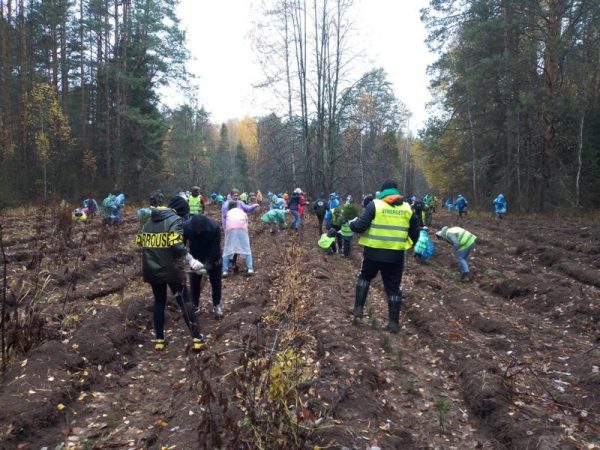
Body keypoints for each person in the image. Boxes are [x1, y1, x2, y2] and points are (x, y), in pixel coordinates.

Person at [135, 195, 208, 351]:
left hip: (151, 269)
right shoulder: (175, 220)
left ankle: (160, 340)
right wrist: (191, 260)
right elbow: (175, 242)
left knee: (159, 302)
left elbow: (139, 242)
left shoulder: (147, 222)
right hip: (172, 269)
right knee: (184, 300)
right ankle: (197, 338)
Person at [349, 179, 419, 333]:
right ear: (397, 192)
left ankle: (359, 309)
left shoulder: (375, 205)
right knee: (393, 288)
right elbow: (415, 234)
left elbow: (360, 226)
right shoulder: (408, 209)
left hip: (373, 254)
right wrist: (407, 243)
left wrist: (351, 224)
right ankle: (393, 323)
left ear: (382, 192)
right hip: (395, 256)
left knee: (364, 277)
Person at [183, 214, 224, 318]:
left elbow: (215, 249)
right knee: (194, 283)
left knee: (216, 283)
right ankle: (195, 306)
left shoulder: (214, 227)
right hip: (195, 257)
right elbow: (181, 245)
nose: (198, 232)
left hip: (213, 258)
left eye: (200, 231)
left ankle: (216, 305)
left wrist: (207, 265)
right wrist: (190, 260)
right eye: (196, 231)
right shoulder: (187, 227)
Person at [222, 200, 254, 276]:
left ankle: (224, 271)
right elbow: (246, 222)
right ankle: (250, 268)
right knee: (246, 248)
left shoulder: (228, 213)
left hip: (231, 230)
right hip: (242, 229)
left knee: (227, 249)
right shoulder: (242, 212)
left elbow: (226, 224)